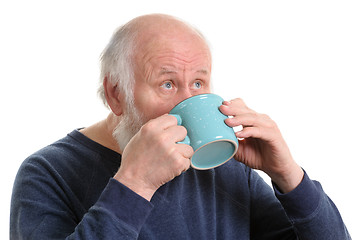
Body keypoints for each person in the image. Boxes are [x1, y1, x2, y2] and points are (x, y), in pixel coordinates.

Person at [10, 14, 351, 239]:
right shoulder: (46, 173)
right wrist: (134, 184)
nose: (188, 102)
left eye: (199, 83)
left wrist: (289, 176)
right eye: (168, 84)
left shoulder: (227, 167)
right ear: (117, 94)